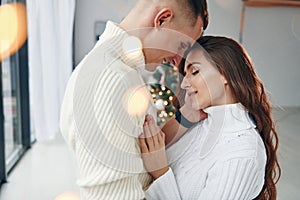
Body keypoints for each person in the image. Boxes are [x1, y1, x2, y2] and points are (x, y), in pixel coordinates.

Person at [60, 0, 209, 199]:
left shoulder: (120, 71)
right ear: (162, 19)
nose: (178, 60)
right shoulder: (111, 80)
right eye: (181, 45)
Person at [139, 36, 281, 199]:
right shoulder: (202, 122)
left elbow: (158, 162)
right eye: (185, 74)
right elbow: (158, 146)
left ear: (225, 74)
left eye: (195, 72)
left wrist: (161, 174)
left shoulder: (242, 154)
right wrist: (187, 115)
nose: (184, 84)